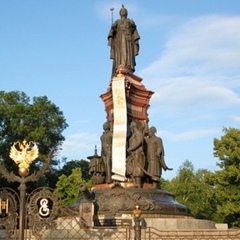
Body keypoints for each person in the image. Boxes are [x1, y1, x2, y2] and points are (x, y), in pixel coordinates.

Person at [108, 4, 140, 77]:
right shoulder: (117, 22)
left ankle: (128, 66)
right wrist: (113, 28)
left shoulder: (129, 21)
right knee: (120, 54)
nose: (123, 12)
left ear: (126, 13)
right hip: (119, 41)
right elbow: (112, 32)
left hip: (128, 40)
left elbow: (134, 32)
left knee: (128, 53)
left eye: (124, 11)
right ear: (120, 13)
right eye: (122, 11)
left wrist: (133, 25)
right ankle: (120, 66)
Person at [126, 120, 145, 188]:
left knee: (137, 167)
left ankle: (138, 183)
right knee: (130, 165)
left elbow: (139, 141)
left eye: (131, 127)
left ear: (133, 127)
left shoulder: (138, 133)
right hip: (133, 153)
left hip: (137, 153)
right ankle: (135, 181)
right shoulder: (134, 134)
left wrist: (132, 148)